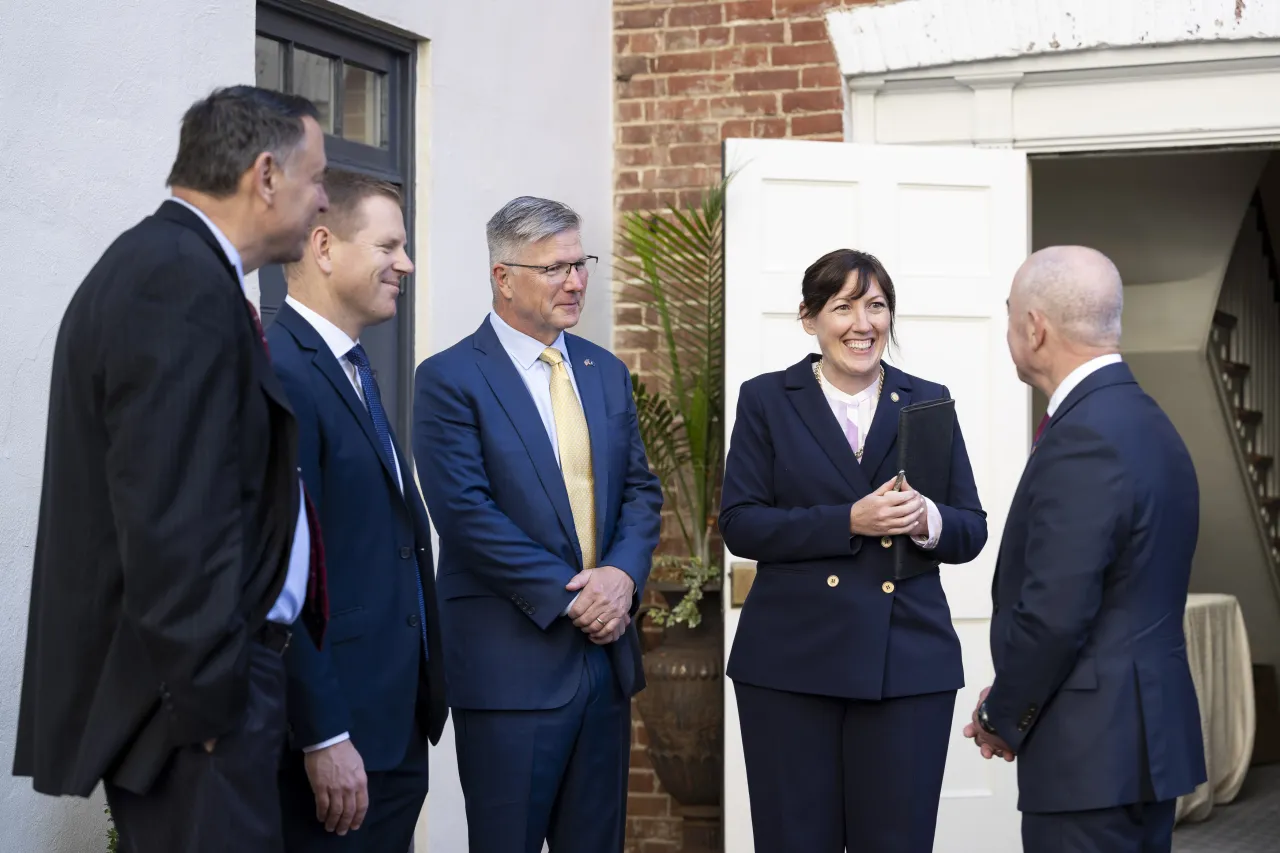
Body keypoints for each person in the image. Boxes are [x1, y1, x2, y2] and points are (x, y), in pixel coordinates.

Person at [14, 86, 330, 852]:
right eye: (317, 178)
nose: (324, 201)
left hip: (211, 697)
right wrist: (212, 702)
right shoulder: (175, 281)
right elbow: (172, 516)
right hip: (202, 708)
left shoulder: (179, 270)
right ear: (265, 175)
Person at [413, 196, 662, 853]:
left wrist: (621, 577)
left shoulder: (605, 372)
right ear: (504, 276)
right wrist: (580, 595)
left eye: (580, 264)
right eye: (556, 268)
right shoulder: (448, 379)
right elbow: (466, 514)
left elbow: (641, 490)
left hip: (604, 667)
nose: (576, 281)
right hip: (508, 670)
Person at [719, 249, 988, 853]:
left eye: (877, 306)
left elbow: (971, 528)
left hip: (907, 661)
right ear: (810, 318)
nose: (862, 324)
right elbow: (741, 524)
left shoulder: (929, 399)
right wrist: (850, 520)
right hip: (789, 664)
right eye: (842, 307)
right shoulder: (766, 398)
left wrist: (927, 520)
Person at [963, 245, 1206, 850]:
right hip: (1139, 748)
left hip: (1091, 755)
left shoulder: (1085, 436)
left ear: (1035, 328)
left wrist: (1005, 713)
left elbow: (1056, 611)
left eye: (1010, 315)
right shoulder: (1150, 421)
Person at [266, 169, 447, 850]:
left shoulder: (354, 366)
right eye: (388, 245)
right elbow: (283, 569)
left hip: (392, 724)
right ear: (323, 245)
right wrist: (323, 731)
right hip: (338, 734)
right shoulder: (285, 370)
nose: (405, 263)